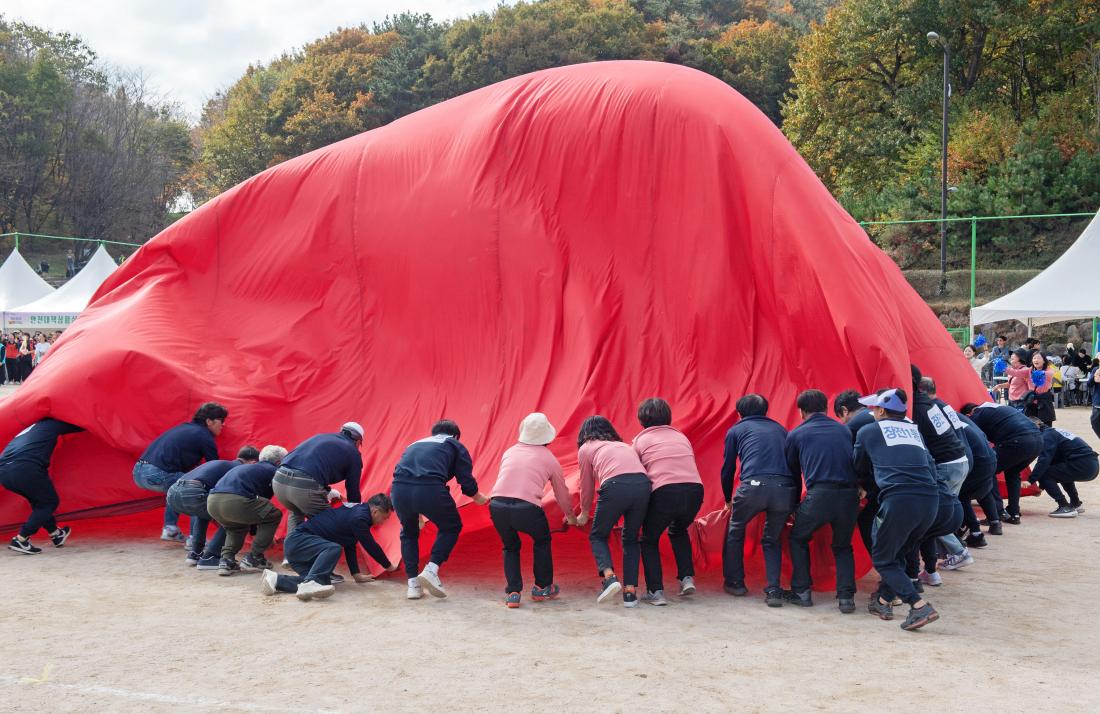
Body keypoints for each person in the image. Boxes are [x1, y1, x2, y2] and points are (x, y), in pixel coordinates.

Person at [852, 388, 941, 631]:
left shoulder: (868, 430)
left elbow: (858, 465)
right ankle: (882, 599)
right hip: (930, 500)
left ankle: (918, 605)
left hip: (900, 499)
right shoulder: (914, 431)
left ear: (880, 410)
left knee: (883, 558)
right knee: (899, 553)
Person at [391, 419, 489, 600]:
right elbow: (465, 480)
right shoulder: (454, 444)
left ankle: (413, 584)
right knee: (451, 526)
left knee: (409, 533)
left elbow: (410, 474)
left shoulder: (415, 444)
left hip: (398, 489)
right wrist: (478, 498)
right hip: (430, 489)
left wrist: (418, 514)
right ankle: (432, 569)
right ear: (455, 435)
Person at [784, 389, 860, 613]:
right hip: (849, 495)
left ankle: (802, 592)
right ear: (826, 409)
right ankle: (846, 599)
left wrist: (794, 506)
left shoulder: (796, 434)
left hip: (819, 495)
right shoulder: (845, 431)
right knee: (843, 546)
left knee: (798, 537)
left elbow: (793, 475)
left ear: (801, 412)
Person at [489, 413, 575, 608]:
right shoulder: (550, 458)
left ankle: (513, 592)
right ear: (547, 436)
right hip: (527, 508)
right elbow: (561, 493)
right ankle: (542, 587)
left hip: (497, 505)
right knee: (542, 540)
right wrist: (570, 515)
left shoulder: (509, 452)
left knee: (510, 546)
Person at [720, 394, 795, 607]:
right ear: (765, 411)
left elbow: (728, 469)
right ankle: (773, 590)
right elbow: (793, 465)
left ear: (740, 413)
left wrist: (727, 499)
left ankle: (736, 582)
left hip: (753, 488)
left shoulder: (736, 430)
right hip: (784, 488)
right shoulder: (781, 429)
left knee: (736, 529)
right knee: (772, 538)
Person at [633, 398, 705, 605]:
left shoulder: (640, 440)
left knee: (648, 539)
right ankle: (686, 578)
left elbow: (637, 473)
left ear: (641, 419)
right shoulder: (680, 436)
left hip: (665, 491)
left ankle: (655, 592)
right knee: (679, 530)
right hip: (695, 490)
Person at [261, 494, 399, 601]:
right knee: (333, 548)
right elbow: (370, 545)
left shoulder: (358, 512)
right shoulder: (360, 517)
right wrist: (389, 566)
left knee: (322, 582)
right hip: (299, 541)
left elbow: (350, 543)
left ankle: (276, 580)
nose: (383, 522)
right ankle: (311, 581)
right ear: (375, 511)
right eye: (384, 518)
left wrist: (356, 574)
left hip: (300, 549)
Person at [573, 416, 650, 607]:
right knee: (631, 538)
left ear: (584, 433)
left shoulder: (586, 448)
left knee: (598, 536)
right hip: (643, 485)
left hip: (615, 486)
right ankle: (630, 593)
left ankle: (609, 577)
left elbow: (586, 486)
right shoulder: (624, 446)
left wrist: (583, 513)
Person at [133, 402, 227, 542]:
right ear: (209, 421)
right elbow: (213, 469)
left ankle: (170, 530)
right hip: (156, 473)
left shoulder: (183, 428)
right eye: (221, 420)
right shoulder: (205, 436)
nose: (223, 425)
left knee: (178, 488)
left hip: (138, 472)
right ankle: (195, 539)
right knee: (196, 491)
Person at [910, 366, 972, 571]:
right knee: (944, 511)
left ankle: (958, 551)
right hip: (958, 460)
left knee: (935, 516)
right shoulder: (929, 402)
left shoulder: (916, 408)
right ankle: (944, 553)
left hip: (946, 465)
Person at [168, 445, 260, 569]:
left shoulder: (222, 464)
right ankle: (211, 557)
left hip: (172, 493)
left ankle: (195, 553)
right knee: (234, 517)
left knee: (205, 512)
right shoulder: (240, 470)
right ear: (253, 463)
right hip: (193, 492)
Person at [1, 418, 83, 554]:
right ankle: (21, 539)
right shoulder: (50, 423)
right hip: (25, 468)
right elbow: (81, 424)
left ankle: (56, 534)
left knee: (40, 502)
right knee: (49, 502)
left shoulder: (25, 430)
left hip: (4, 473)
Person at [273, 422, 365, 539]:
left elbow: (310, 465)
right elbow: (352, 489)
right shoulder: (353, 452)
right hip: (303, 487)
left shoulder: (320, 437)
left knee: (296, 513)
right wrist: (356, 512)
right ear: (357, 441)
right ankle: (319, 554)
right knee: (330, 525)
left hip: (278, 480)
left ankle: (290, 556)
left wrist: (326, 490)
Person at [206, 445, 287, 575]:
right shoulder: (273, 470)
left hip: (212, 502)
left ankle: (226, 560)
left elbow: (257, 509)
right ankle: (255, 557)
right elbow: (262, 508)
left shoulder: (248, 468)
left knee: (236, 527)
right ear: (278, 462)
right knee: (274, 514)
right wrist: (264, 534)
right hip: (237, 501)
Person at [960, 401, 1043, 524]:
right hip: (1037, 441)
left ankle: (997, 512)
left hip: (1017, 440)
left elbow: (974, 439)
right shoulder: (995, 407)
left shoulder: (976, 415)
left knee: (988, 470)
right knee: (1013, 473)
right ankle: (1014, 513)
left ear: (968, 414)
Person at [833, 390, 878, 556]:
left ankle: (886, 567)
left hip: (886, 482)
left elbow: (855, 461)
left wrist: (862, 485)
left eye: (840, 417)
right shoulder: (877, 414)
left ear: (845, 410)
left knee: (866, 520)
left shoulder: (853, 426)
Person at [1027, 421, 1098, 517]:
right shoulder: (1053, 432)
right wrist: (1040, 487)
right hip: (1091, 465)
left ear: (1037, 426)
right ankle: (1075, 503)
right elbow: (1053, 462)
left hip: (1083, 465)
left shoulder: (1047, 436)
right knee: (1060, 471)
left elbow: (1044, 460)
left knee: (1045, 473)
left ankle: (1064, 506)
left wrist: (1031, 480)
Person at [953, 410, 1003, 542]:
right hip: (989, 456)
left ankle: (975, 532)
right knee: (984, 490)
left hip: (976, 459)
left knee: (960, 494)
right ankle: (995, 522)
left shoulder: (941, 417)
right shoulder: (959, 417)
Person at [1027, 351, 1056, 426]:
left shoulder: (1048, 370)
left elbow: (1051, 373)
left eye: (1038, 358)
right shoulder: (1029, 370)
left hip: (1044, 403)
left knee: (1046, 427)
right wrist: (1006, 369)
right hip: (1032, 403)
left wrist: (1041, 372)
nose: (1036, 360)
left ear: (1044, 361)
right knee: (1031, 427)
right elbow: (1018, 372)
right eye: (1034, 358)